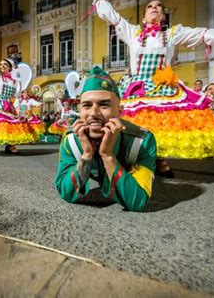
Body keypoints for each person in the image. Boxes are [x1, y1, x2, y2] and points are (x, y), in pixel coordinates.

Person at [84, 0, 214, 179]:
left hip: (164, 89)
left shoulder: (172, 34)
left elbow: (208, 34)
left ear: (163, 16)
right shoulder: (133, 33)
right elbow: (113, 17)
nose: (154, 7)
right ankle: (134, 164)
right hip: (137, 90)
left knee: (202, 124)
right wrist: (99, 1)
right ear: (144, 17)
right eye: (150, 6)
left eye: (159, 6)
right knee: (122, 127)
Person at [55, 66, 157, 211]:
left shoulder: (142, 142)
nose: (94, 113)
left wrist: (108, 156)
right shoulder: (70, 141)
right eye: (87, 105)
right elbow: (66, 192)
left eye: (104, 105)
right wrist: (87, 155)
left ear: (119, 112)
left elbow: (138, 201)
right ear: (80, 110)